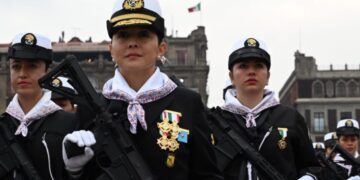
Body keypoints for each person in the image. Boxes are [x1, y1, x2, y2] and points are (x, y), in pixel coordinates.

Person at [61, 0, 223, 179]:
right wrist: (74, 170)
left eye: (144, 35)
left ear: (161, 48)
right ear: (111, 49)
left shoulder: (187, 103)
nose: (132, 43)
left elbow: (207, 174)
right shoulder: (91, 107)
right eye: (123, 35)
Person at [208, 37, 321, 180]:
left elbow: (312, 167)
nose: (251, 72)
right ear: (231, 76)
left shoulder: (290, 118)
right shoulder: (213, 120)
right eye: (243, 66)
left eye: (259, 66)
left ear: (268, 76)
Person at [0, 32, 78, 179]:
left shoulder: (70, 124)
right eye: (16, 66)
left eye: (32, 66)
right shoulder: (4, 125)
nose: (22, 74)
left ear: (47, 72)